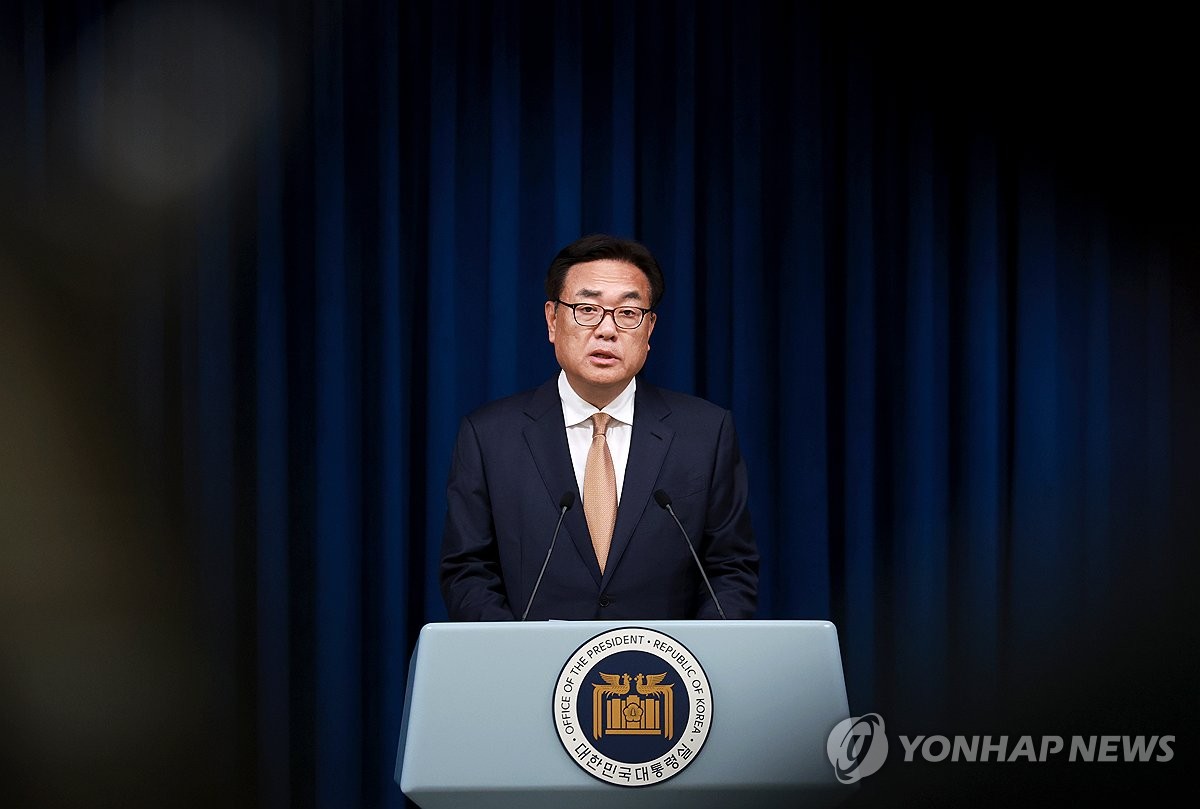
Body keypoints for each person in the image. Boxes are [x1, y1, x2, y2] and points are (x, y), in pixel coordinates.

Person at [439, 234, 758, 620]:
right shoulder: (489, 436)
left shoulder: (705, 433)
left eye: (628, 313)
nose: (607, 330)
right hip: (533, 658)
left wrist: (695, 652)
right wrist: (518, 651)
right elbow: (469, 572)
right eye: (587, 309)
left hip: (659, 659)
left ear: (649, 329)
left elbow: (730, 569)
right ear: (552, 320)